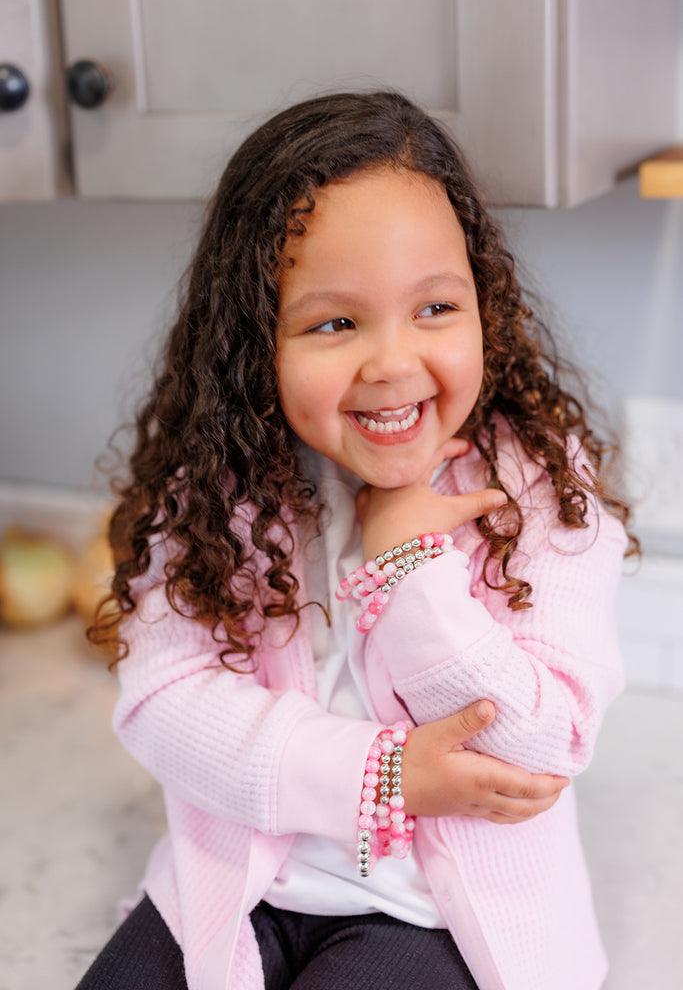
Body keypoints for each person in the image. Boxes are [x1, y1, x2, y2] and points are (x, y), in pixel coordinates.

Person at [79, 90, 635, 990]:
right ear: (257, 339)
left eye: (435, 308)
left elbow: (541, 745)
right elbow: (164, 698)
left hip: (432, 915)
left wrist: (408, 564)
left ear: (482, 303)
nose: (391, 362)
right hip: (241, 886)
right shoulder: (221, 484)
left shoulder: (536, 485)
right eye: (335, 322)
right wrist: (378, 776)